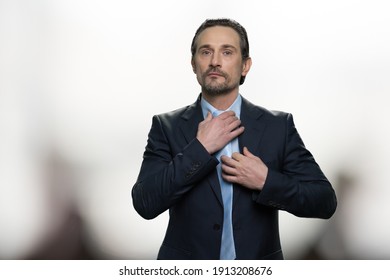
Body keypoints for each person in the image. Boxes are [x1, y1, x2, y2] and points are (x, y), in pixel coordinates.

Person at [132, 18, 337, 260]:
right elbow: (145, 203)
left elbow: (324, 201)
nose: (215, 61)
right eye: (206, 51)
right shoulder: (166, 126)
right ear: (193, 64)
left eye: (227, 52)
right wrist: (200, 148)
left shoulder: (277, 127)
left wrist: (266, 180)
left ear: (245, 66)